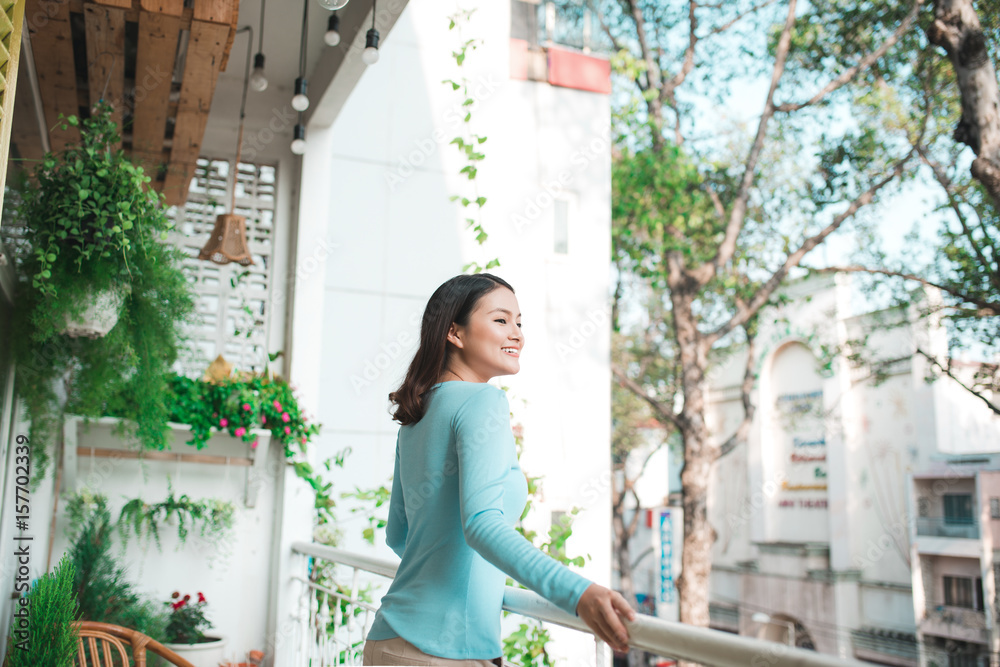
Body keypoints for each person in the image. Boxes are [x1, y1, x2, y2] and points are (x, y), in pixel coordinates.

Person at [362, 273, 635, 666]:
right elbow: (482, 524)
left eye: (519, 323)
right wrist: (579, 594)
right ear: (455, 333)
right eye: (501, 320)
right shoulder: (482, 401)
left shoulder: (417, 415)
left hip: (389, 641)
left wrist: (480, 590)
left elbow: (399, 534)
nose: (518, 335)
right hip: (438, 653)